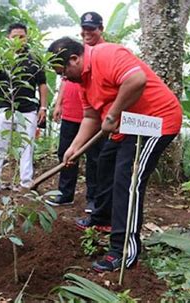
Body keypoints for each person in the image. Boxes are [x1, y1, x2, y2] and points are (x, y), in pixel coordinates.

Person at [48, 38, 182, 272]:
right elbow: (90, 117)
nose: (64, 78)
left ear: (74, 59)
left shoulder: (106, 55)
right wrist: (74, 148)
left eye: (63, 72)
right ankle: (103, 219)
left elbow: (136, 79)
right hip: (126, 127)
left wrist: (113, 114)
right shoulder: (82, 82)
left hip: (155, 122)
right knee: (105, 165)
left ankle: (123, 251)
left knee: (127, 180)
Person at [46, 12, 106, 213]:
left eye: (92, 28)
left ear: (101, 29)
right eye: (84, 28)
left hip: (94, 116)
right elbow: (64, 79)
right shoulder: (72, 53)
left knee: (95, 158)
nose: (87, 32)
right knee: (66, 152)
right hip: (71, 111)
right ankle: (65, 193)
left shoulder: (103, 53)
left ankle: (93, 198)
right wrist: (59, 103)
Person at [0, 23, 48, 196]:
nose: (18, 40)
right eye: (14, 37)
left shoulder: (34, 59)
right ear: (8, 39)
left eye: (22, 37)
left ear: (27, 38)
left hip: (28, 109)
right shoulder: (1, 60)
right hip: (5, 108)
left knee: (27, 147)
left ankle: (26, 184)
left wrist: (43, 107)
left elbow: (42, 85)